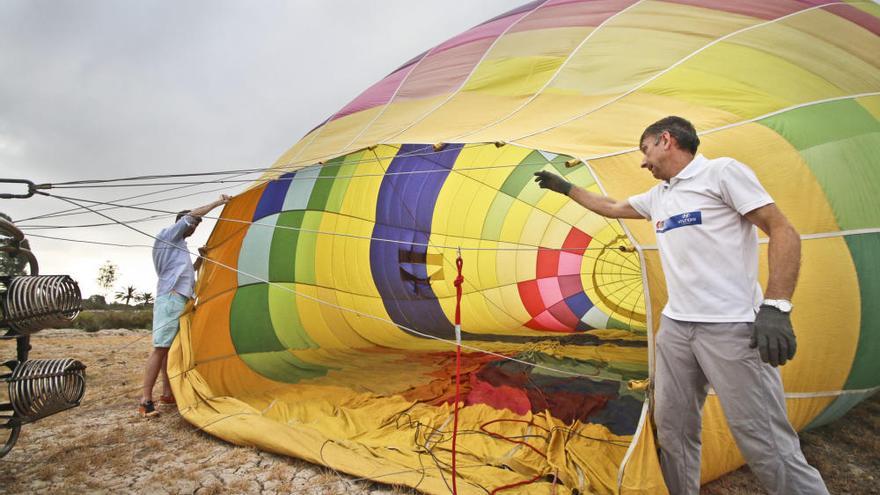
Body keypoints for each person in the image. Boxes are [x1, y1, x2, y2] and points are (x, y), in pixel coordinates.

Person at [534, 117, 828, 495]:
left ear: (666, 140)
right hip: (675, 329)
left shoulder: (722, 173)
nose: (643, 162)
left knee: (765, 441)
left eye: (645, 150)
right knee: (672, 430)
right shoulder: (660, 196)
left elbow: (783, 230)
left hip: (730, 327)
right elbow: (610, 205)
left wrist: (776, 306)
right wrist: (566, 187)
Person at [138, 195, 231, 417]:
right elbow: (191, 217)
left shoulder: (178, 247)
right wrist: (218, 203)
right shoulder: (167, 236)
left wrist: (201, 260)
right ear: (182, 223)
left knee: (168, 350)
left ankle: (167, 393)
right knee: (161, 349)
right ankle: (145, 401)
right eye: (194, 225)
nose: (194, 229)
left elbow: (186, 275)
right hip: (170, 300)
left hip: (178, 299)